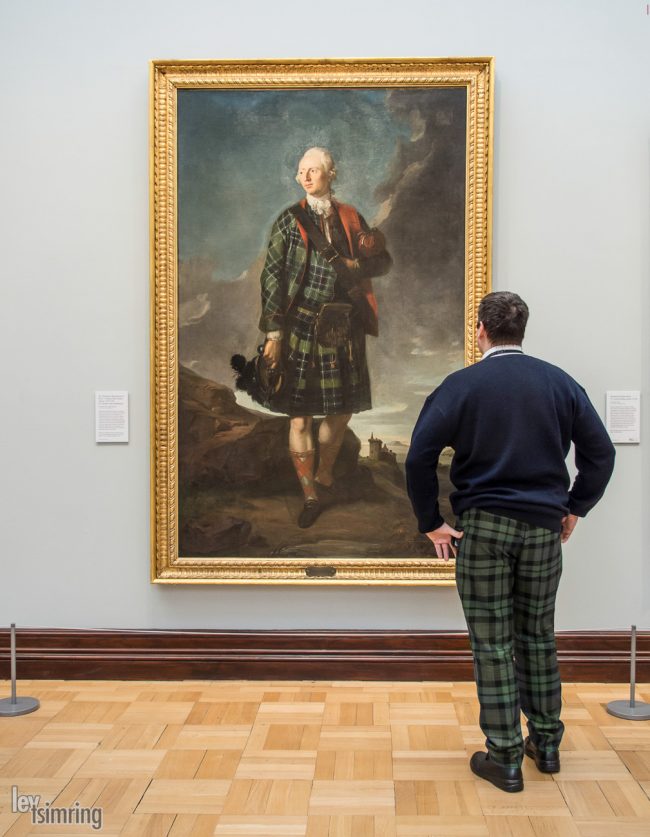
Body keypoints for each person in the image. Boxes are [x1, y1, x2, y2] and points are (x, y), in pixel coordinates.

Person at [405, 291, 615, 793]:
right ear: (522, 330)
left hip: (485, 530)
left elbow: (417, 457)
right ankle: (546, 744)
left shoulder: (461, 386)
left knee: (493, 645)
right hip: (543, 529)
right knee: (538, 637)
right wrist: (573, 507)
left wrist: (431, 522)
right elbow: (601, 453)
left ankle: (504, 757)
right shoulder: (558, 383)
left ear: (481, 329)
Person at [259, 147, 391, 528]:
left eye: (313, 170)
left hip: (344, 325)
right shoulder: (288, 221)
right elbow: (271, 276)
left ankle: (324, 473)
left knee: (342, 408)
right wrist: (274, 333)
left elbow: (383, 262)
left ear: (331, 174)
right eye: (301, 171)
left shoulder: (351, 216)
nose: (306, 177)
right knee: (299, 418)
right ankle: (310, 494)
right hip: (299, 325)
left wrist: (356, 263)